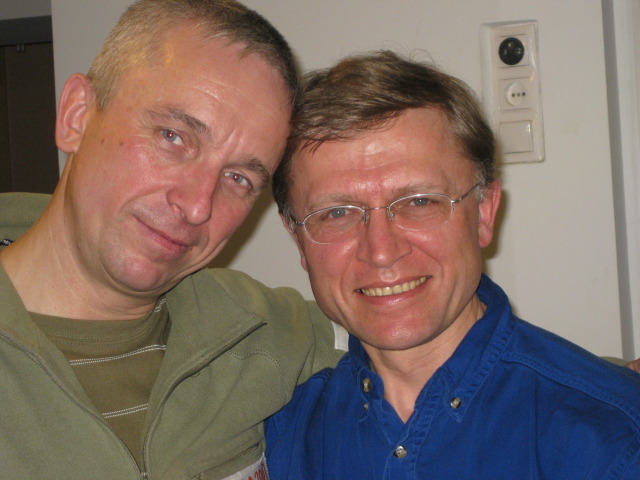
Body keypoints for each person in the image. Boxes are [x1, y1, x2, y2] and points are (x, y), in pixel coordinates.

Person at [0, 1, 344, 478]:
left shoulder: (258, 331)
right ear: (76, 116)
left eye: (239, 178)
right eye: (173, 136)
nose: (198, 205)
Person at [266, 50, 640, 479]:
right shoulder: (279, 436)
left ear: (484, 213)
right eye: (337, 213)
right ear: (297, 237)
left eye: (419, 202)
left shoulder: (613, 440)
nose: (381, 251)